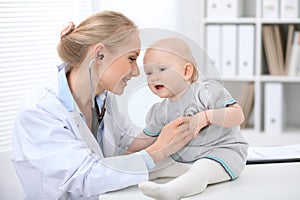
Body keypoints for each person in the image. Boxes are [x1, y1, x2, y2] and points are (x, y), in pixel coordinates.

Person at [11, 11, 194, 200]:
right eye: (131, 58)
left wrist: (170, 123)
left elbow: (125, 144)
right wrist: (158, 150)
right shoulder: (40, 110)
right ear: (99, 54)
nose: (136, 72)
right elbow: (86, 176)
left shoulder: (102, 98)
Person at [127, 37, 249, 200]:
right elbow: (145, 139)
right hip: (184, 160)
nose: (153, 77)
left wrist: (207, 116)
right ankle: (122, 180)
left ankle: (172, 192)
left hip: (222, 155)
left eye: (162, 69)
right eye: (149, 73)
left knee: (202, 169)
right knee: (154, 165)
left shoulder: (206, 93)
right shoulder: (160, 111)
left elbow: (237, 115)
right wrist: (126, 154)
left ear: (186, 71)